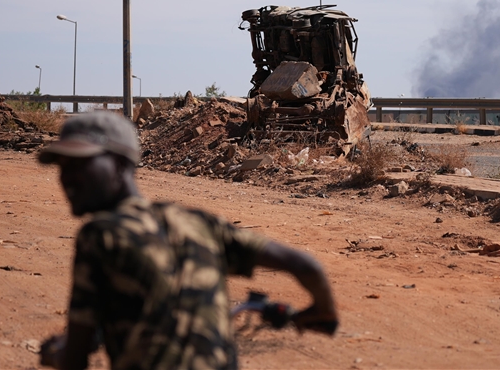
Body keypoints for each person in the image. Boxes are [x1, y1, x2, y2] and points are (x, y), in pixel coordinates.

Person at [37, 110, 338, 370]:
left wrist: (54, 354)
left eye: (80, 164)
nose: (67, 177)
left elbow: (75, 359)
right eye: (63, 166)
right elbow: (307, 266)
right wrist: (322, 312)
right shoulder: (197, 222)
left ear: (119, 165)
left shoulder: (100, 235)